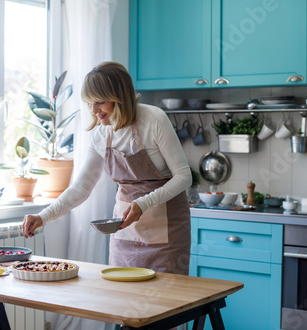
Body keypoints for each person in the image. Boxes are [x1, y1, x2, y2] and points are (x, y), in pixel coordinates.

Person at [22, 61, 192, 274]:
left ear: (120, 97)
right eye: (90, 103)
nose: (94, 110)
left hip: (166, 231)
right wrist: (43, 216)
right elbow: (81, 188)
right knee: (120, 301)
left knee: (165, 301)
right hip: (125, 233)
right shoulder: (102, 135)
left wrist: (143, 203)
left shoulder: (154, 120)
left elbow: (184, 177)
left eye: (100, 102)